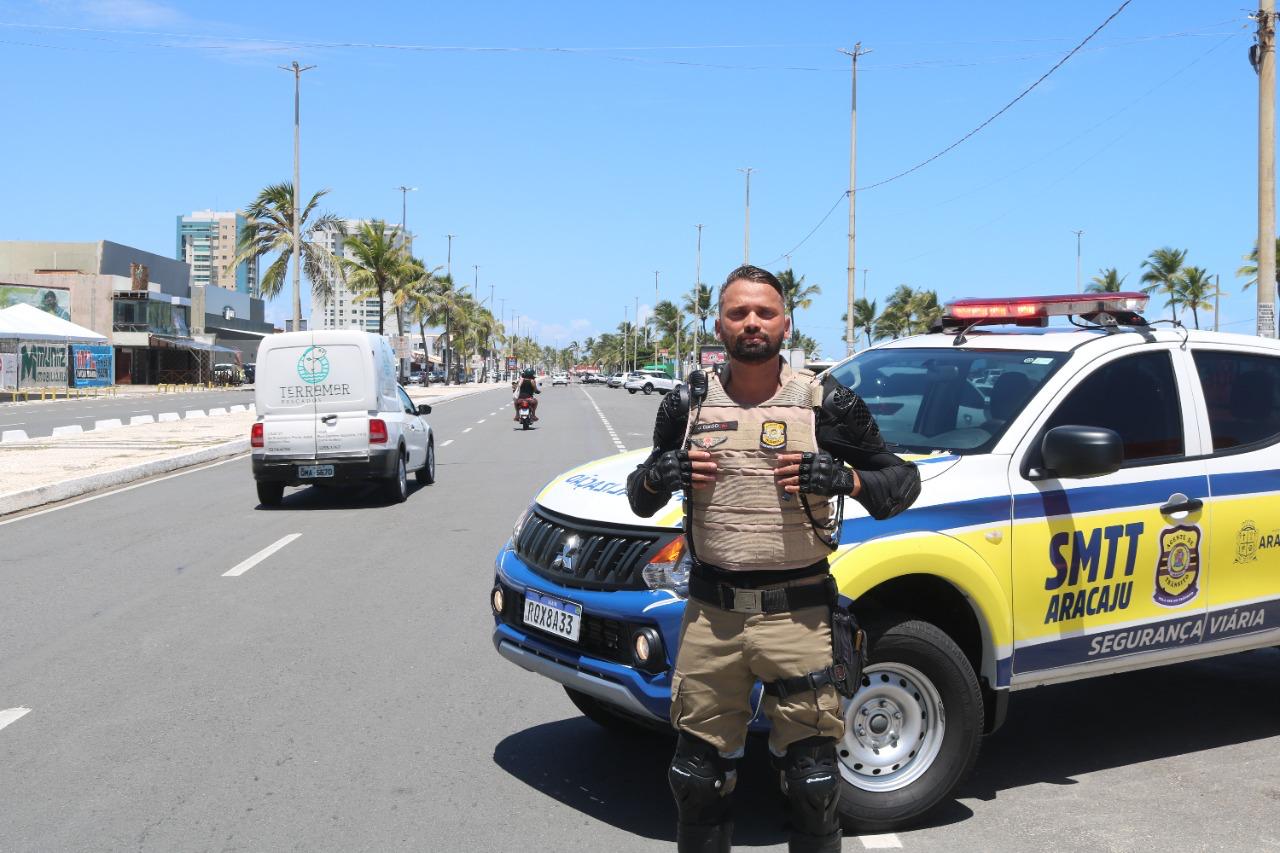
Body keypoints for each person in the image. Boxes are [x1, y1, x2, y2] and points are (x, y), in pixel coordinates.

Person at [625, 265, 921, 853]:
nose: (752, 323)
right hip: (713, 617)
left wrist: (843, 477)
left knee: (813, 782)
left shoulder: (826, 404)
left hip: (799, 617)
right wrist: (664, 473)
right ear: (719, 325)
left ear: (786, 322)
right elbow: (640, 495)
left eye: (764, 312)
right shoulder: (686, 402)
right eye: (739, 313)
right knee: (696, 780)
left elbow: (902, 483)